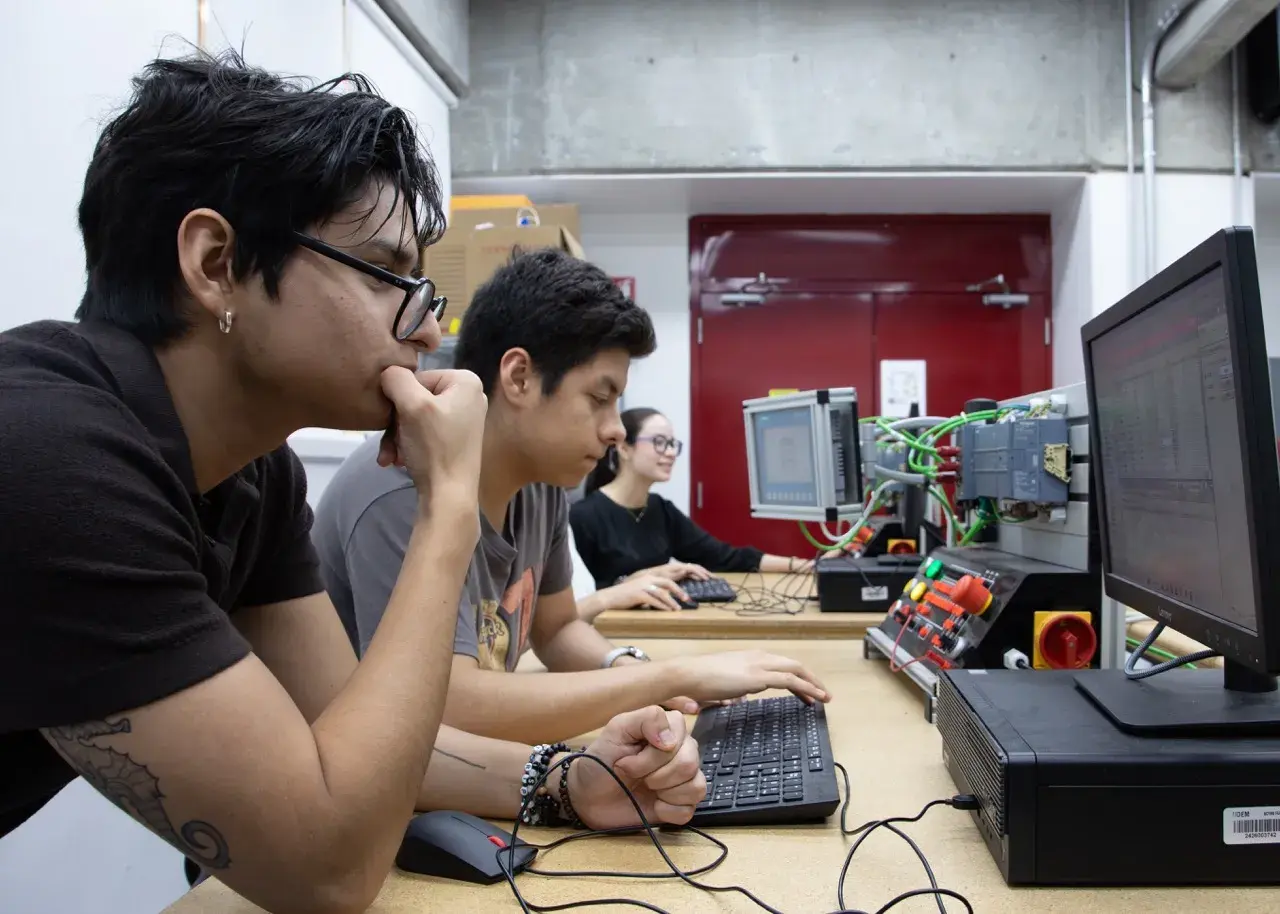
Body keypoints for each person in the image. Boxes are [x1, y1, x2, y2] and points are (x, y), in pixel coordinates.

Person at [0, 51, 705, 914]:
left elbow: (353, 741)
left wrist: (566, 778)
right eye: (388, 275)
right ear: (216, 262)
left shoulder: (251, 474)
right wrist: (448, 502)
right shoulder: (51, 459)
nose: (429, 324)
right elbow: (329, 867)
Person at [312, 249, 832, 746]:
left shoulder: (541, 483)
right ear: (519, 377)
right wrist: (669, 677)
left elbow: (556, 629)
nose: (615, 431)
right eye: (599, 399)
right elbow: (449, 706)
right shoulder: (399, 485)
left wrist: (636, 672)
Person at [571, 408, 830, 592]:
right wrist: (631, 580)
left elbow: (725, 557)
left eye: (673, 443)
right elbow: (577, 598)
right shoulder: (583, 517)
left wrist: (808, 565)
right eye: (660, 442)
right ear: (624, 448)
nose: (671, 452)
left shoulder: (661, 510)